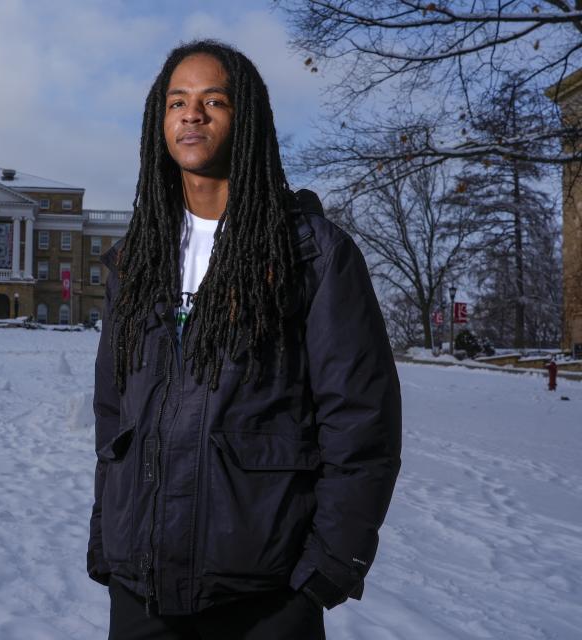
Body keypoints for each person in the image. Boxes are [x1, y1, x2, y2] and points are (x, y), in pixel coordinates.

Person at [87, 39, 402, 639]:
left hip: (265, 592)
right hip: (142, 588)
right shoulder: (137, 259)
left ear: (247, 118)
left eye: (214, 100)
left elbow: (362, 422)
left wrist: (330, 565)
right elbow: (113, 415)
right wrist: (108, 537)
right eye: (176, 101)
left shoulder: (310, 253)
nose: (192, 113)